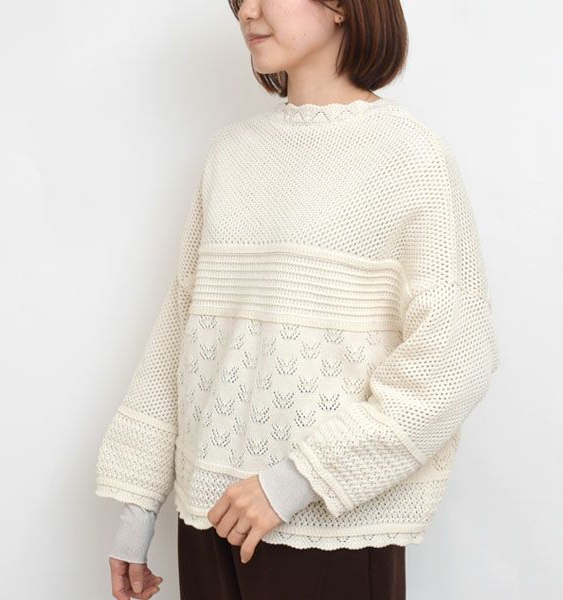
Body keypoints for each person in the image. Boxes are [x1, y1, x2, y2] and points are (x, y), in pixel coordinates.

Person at [95, 1, 500, 598]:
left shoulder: (409, 156)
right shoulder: (232, 154)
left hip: (328, 528)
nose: (248, 12)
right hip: (206, 519)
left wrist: (295, 481)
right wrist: (137, 511)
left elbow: (456, 358)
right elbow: (181, 330)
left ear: (341, 7)